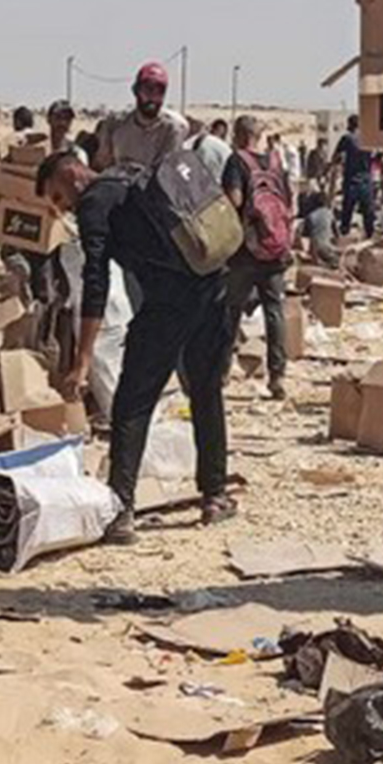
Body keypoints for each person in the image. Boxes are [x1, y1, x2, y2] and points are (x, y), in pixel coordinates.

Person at [39, 150, 236, 543]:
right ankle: (215, 496)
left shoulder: (94, 203)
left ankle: (120, 510)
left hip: (168, 303)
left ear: (73, 173)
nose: (65, 210)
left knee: (132, 402)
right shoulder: (129, 173)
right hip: (213, 286)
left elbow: (96, 283)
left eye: (60, 197)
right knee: (205, 390)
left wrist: (82, 359)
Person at [223, 115, 294, 400]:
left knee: (230, 310)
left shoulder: (237, 161)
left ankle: (221, 371)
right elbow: (288, 201)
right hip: (275, 248)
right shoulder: (276, 163)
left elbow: (235, 201)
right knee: (274, 312)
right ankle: (277, 376)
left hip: (245, 250)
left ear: (238, 135)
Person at [95, 63, 188, 172]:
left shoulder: (171, 130)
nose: (152, 97)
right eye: (148, 89)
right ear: (136, 91)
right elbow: (102, 164)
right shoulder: (115, 125)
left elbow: (167, 171)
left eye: (159, 91)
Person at [332, 115, 377, 238]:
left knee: (347, 212)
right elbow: (378, 156)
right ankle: (370, 237)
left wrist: (330, 169)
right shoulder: (368, 139)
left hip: (351, 180)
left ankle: (344, 237)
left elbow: (336, 157)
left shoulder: (347, 138)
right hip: (366, 181)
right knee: (368, 213)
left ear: (350, 125)